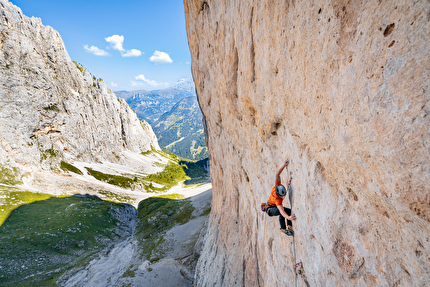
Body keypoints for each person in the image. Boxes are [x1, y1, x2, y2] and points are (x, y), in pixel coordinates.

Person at [265, 158, 296, 236]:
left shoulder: (276, 186)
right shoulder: (277, 200)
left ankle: (289, 226)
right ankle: (283, 228)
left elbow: (277, 174)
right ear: (279, 195)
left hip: (271, 206)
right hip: (270, 209)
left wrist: (284, 165)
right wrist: (288, 218)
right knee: (282, 212)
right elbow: (281, 211)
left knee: (289, 211)